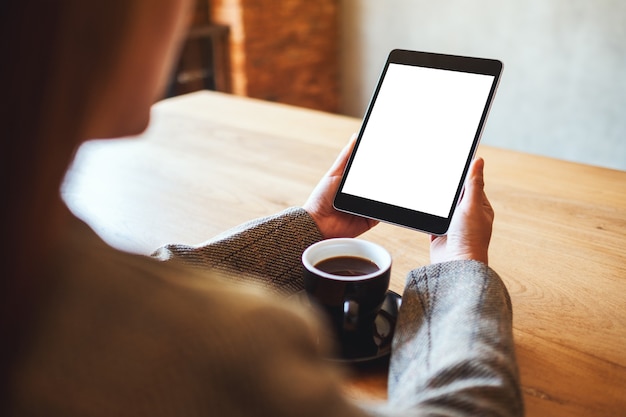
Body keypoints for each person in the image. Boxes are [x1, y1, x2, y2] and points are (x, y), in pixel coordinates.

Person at [0, 0, 524, 415]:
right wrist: (461, 270)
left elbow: (138, 282)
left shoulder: (32, 250)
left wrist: (310, 229)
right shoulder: (223, 345)